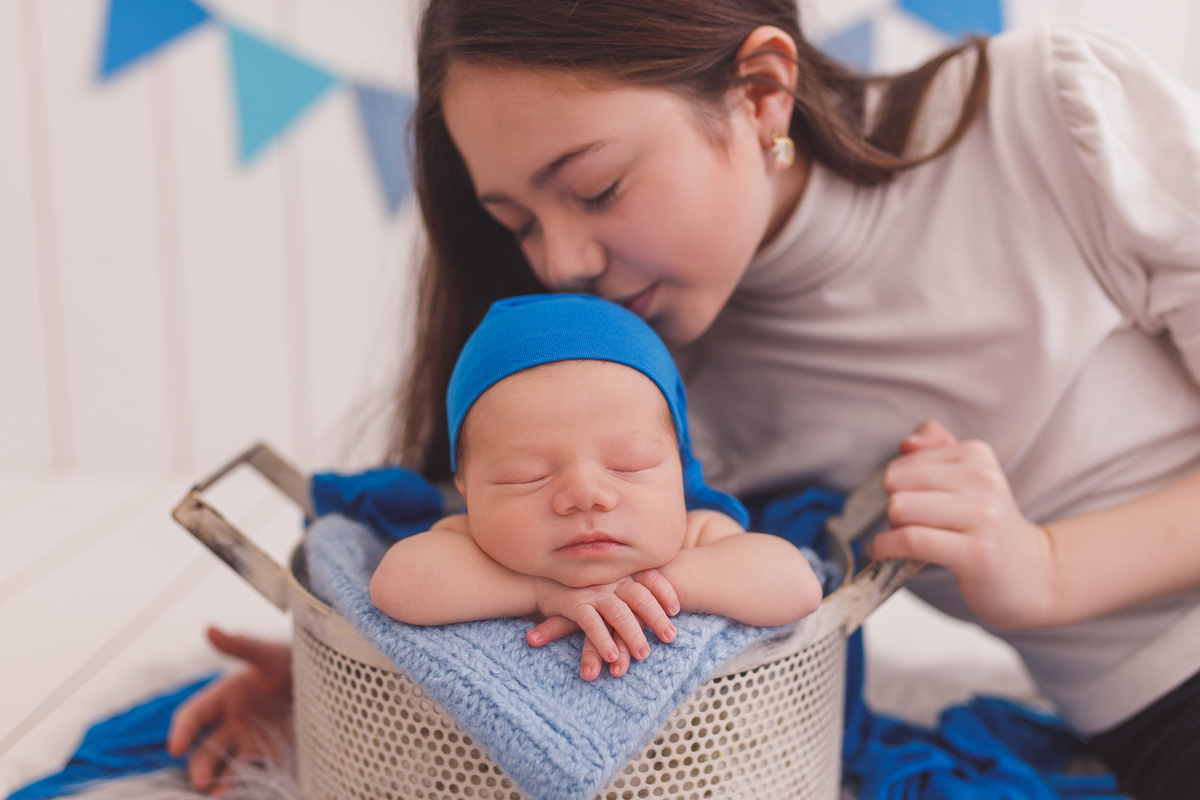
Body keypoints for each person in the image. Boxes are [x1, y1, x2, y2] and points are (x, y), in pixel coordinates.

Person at [171, 0, 1200, 797]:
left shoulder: (1045, 114)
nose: (562, 260)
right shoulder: (641, 393)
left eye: (596, 186)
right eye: (516, 221)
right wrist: (365, 679)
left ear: (761, 92)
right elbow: (568, 602)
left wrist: (1052, 568)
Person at [369, 293, 823, 681]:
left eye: (630, 465)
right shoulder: (469, 542)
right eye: (525, 475)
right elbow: (397, 584)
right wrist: (542, 593)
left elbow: (797, 586)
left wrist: (656, 586)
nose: (586, 496)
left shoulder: (696, 534)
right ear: (467, 491)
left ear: (680, 471)